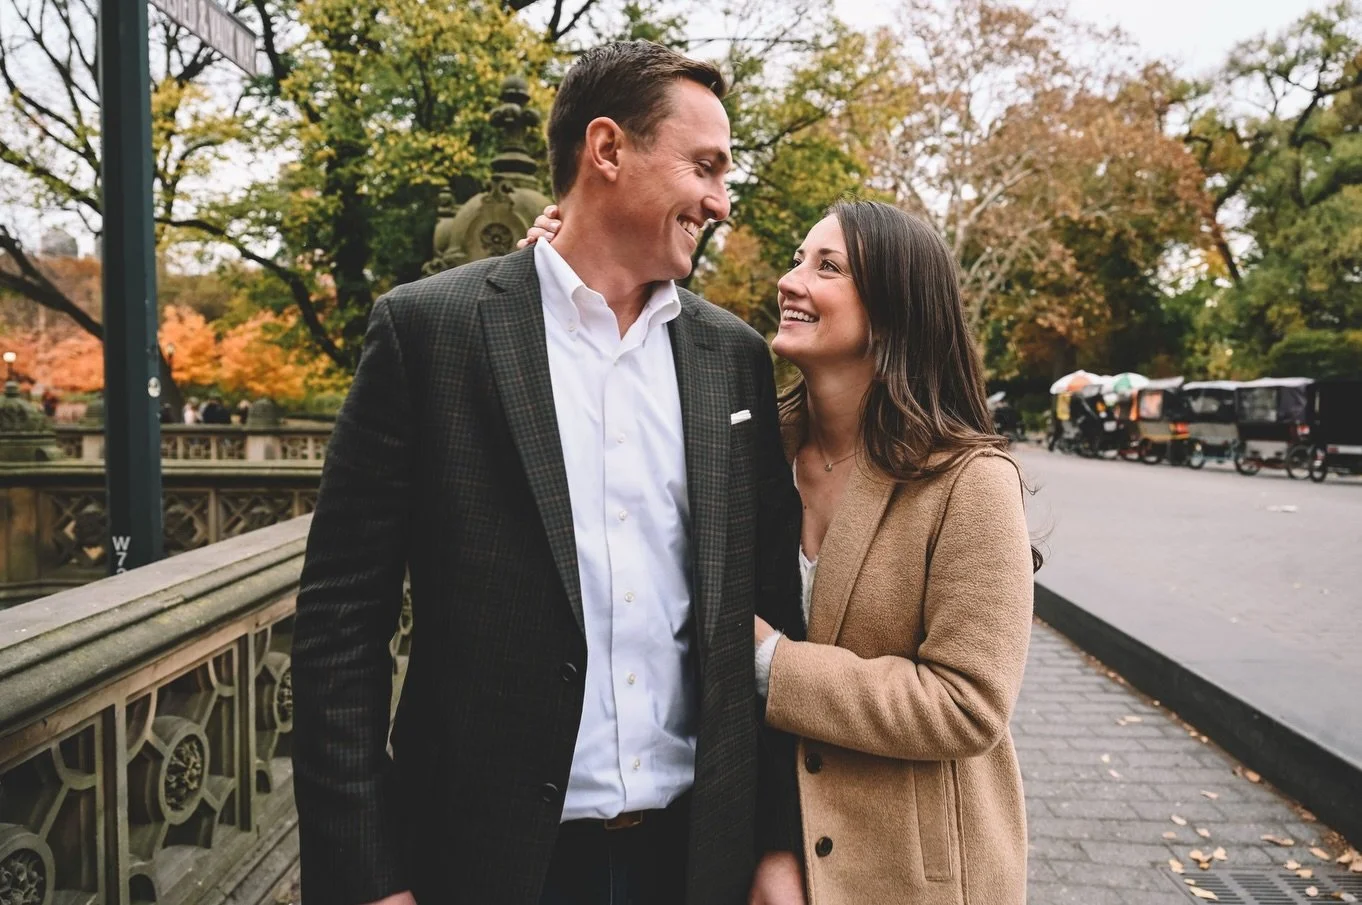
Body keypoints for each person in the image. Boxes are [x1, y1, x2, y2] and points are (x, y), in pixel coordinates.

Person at [291, 40, 805, 905]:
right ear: (607, 150)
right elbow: (339, 624)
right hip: (483, 863)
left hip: (695, 862)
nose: (721, 201)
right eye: (705, 167)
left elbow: (772, 612)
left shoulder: (734, 358)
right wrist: (369, 878)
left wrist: (779, 847)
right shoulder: (427, 334)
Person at [527, 198, 1037, 905]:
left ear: (892, 310)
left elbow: (968, 703)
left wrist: (768, 660)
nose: (791, 280)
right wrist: (574, 261)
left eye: (826, 266)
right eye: (799, 258)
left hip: (914, 874)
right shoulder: (753, 445)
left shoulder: (969, 481)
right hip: (767, 859)